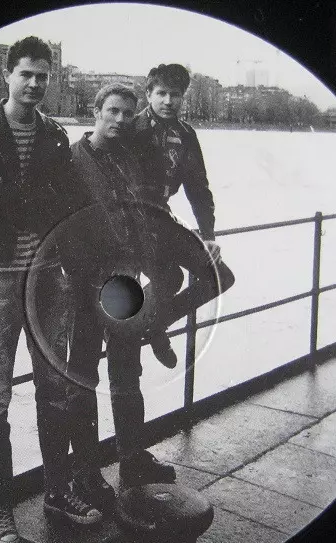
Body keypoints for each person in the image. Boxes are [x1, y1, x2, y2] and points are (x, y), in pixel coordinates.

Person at [0, 36, 103, 543]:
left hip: (46, 277)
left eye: (43, 76)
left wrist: (50, 211)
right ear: (7, 75)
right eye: (26, 74)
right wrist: (45, 205)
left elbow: (70, 203)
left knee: (54, 388)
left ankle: (57, 492)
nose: (35, 84)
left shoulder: (55, 136)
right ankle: (0, 507)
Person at [63, 84, 224, 499]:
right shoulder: (74, 160)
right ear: (96, 111)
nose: (119, 120)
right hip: (87, 287)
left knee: (126, 371)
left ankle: (132, 459)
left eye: (126, 113)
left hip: (126, 282)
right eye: (112, 111)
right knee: (83, 375)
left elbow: (146, 213)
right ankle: (86, 471)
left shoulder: (130, 158)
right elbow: (64, 228)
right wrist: (88, 275)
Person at [132, 64, 221, 367]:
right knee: (170, 277)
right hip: (130, 223)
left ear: (183, 97)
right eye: (161, 93)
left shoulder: (186, 135)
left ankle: (154, 324)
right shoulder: (131, 128)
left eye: (176, 95)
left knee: (218, 277)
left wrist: (208, 235)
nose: (168, 101)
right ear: (148, 94)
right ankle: (145, 326)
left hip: (162, 218)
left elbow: (199, 189)